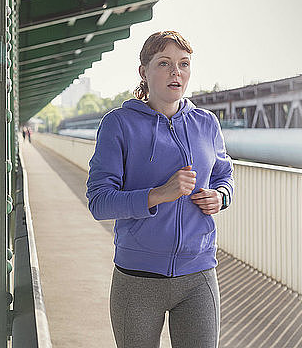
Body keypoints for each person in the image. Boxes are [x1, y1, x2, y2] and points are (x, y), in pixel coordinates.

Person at [86, 31, 234, 348]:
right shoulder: (119, 123)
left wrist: (220, 197)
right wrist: (159, 194)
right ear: (144, 71)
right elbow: (100, 202)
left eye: (183, 64)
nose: (175, 72)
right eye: (164, 63)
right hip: (137, 278)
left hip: (199, 275)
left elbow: (224, 173)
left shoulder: (207, 123)